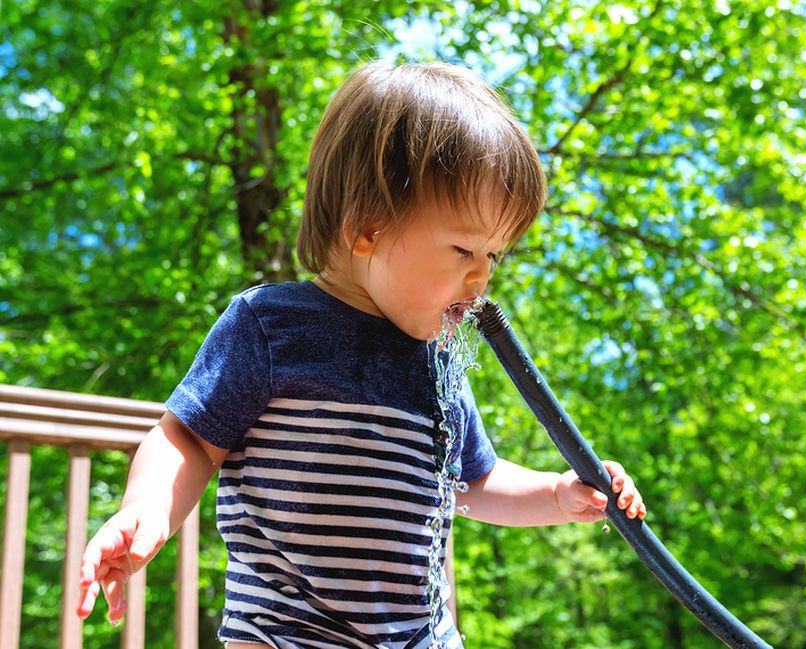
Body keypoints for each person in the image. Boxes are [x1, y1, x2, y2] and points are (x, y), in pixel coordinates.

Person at [77, 61, 646, 649]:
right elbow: (189, 438)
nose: (481, 279)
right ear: (367, 229)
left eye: (494, 256)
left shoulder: (440, 361)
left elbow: (474, 482)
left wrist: (558, 493)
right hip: (285, 635)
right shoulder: (273, 326)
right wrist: (144, 510)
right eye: (463, 249)